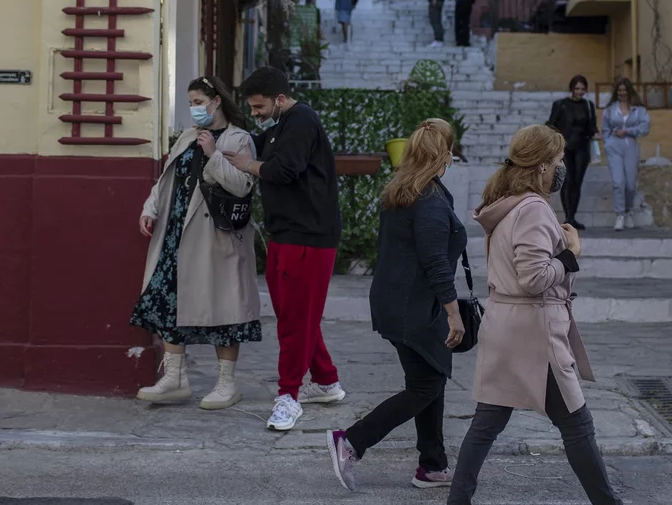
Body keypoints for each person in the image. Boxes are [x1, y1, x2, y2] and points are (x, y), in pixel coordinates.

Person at [447, 125, 623, 505]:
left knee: (486, 425)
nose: (561, 167)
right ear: (542, 165)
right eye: (558, 161)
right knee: (578, 425)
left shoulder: (507, 203)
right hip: (535, 336)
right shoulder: (533, 209)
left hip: (507, 328)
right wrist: (571, 252)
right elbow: (534, 278)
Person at [327, 119, 465, 492]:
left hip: (396, 301)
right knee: (425, 386)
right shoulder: (430, 200)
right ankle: (352, 441)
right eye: (451, 149)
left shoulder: (403, 190)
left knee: (430, 378)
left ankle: (432, 466)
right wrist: (454, 314)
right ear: (444, 153)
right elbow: (436, 263)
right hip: (415, 307)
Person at [226, 67, 346, 430]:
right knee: (296, 316)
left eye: (259, 106)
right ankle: (326, 381)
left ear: (279, 99)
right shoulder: (281, 127)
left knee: (295, 321)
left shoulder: (302, 121)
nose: (256, 113)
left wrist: (249, 165)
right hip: (287, 235)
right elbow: (258, 147)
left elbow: (285, 170)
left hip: (308, 237)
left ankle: (288, 396)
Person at [132, 76, 261, 410]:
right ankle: (175, 378)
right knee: (171, 300)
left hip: (216, 236)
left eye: (199, 102)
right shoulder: (187, 137)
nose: (194, 109)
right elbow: (166, 179)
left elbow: (242, 185)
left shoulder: (239, 138)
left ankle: (226, 384)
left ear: (216, 101)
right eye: (190, 102)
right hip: (177, 232)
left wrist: (214, 154)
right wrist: (151, 208)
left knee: (225, 308)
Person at [547, 75, 599, 230]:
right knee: (567, 181)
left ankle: (572, 217)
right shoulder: (561, 104)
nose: (580, 92)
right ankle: (568, 216)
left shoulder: (588, 105)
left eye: (583, 89)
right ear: (571, 89)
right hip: (565, 148)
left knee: (577, 182)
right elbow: (551, 124)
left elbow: (592, 125)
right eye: (577, 88)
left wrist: (595, 133)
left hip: (582, 147)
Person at [602, 77, 650, 231]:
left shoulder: (639, 109)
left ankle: (629, 211)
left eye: (624, 90)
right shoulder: (610, 109)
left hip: (631, 146)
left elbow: (645, 127)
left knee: (630, 184)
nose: (622, 93)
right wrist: (608, 142)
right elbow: (605, 129)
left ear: (629, 91)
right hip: (614, 146)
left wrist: (628, 131)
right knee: (618, 182)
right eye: (619, 90)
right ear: (616, 92)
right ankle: (620, 215)